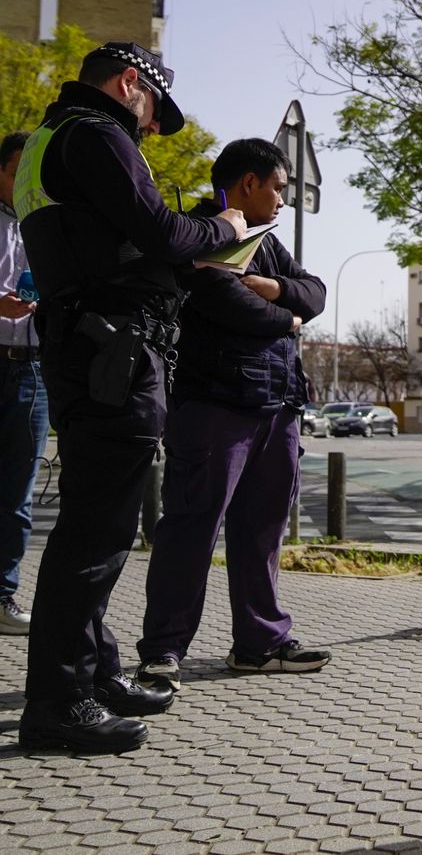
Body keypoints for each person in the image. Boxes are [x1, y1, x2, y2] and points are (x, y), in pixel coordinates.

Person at [11, 41, 249, 753]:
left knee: (98, 527)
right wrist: (226, 229)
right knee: (95, 533)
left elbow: (116, 239)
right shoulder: (96, 134)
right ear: (128, 84)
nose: (150, 129)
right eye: (152, 113)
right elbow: (162, 231)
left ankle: (96, 674)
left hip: (91, 341)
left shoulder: (53, 139)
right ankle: (58, 704)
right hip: (112, 348)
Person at [134, 138, 332, 693]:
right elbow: (225, 302)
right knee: (192, 528)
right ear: (249, 183)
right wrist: (286, 318)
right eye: (278, 187)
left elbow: (314, 295)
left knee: (263, 529)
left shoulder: (267, 246)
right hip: (214, 406)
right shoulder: (199, 232)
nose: (283, 200)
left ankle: (260, 644)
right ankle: (163, 652)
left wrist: (277, 289)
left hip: (278, 405)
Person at [0, 130, 48, 636]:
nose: (24, 183)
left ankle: (3, 595)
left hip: (33, 367)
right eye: (18, 171)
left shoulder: (46, 224)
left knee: (18, 492)